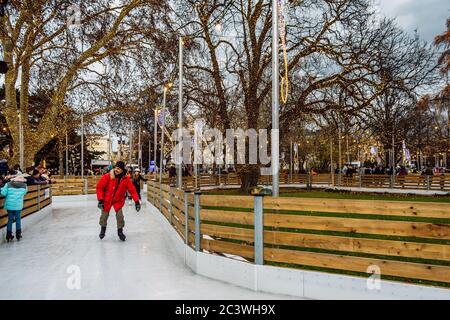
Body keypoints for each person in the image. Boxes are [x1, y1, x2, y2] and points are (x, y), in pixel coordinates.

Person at [96, 161, 141, 241]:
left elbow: (132, 190)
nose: (117, 170)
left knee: (120, 216)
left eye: (119, 168)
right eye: (116, 168)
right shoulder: (107, 176)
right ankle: (103, 230)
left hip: (118, 200)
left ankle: (120, 232)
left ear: (122, 170)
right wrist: (100, 200)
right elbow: (99, 187)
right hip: (107, 200)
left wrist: (137, 202)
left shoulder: (125, 179)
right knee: (104, 216)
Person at [1, 173, 28, 242]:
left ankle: (8, 235)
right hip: (18, 206)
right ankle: (18, 234)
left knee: (10, 220)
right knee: (18, 219)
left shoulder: (8, 184)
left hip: (9, 205)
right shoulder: (25, 186)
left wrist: (1, 189)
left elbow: (3, 193)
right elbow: (25, 193)